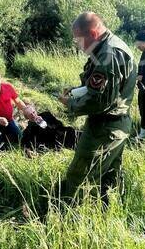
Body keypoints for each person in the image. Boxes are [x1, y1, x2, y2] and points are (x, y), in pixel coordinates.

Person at [59, 12, 137, 200]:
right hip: (116, 124)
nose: (77, 45)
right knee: (108, 175)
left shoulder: (107, 55)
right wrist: (78, 90)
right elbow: (100, 88)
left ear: (92, 33)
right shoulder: (109, 46)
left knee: (79, 176)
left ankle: (65, 215)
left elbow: (99, 101)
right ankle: (103, 211)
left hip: (104, 128)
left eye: (78, 40)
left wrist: (70, 104)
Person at [0, 69, 33, 149]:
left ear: (0, 78)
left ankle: (5, 133)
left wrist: (26, 109)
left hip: (9, 119)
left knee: (19, 136)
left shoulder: (8, 87)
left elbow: (18, 101)